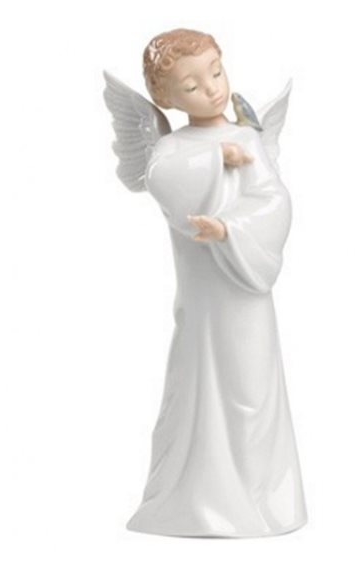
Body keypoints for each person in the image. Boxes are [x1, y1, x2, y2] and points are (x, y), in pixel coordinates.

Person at [115, 28, 308, 537]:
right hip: (203, 296)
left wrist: (230, 230)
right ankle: (197, 497)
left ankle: (261, 497)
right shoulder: (172, 149)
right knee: (199, 380)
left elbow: (275, 201)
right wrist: (214, 158)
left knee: (251, 384)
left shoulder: (248, 138)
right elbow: (163, 180)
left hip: (245, 284)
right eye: (192, 85)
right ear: (166, 98)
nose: (212, 89)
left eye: (216, 73)